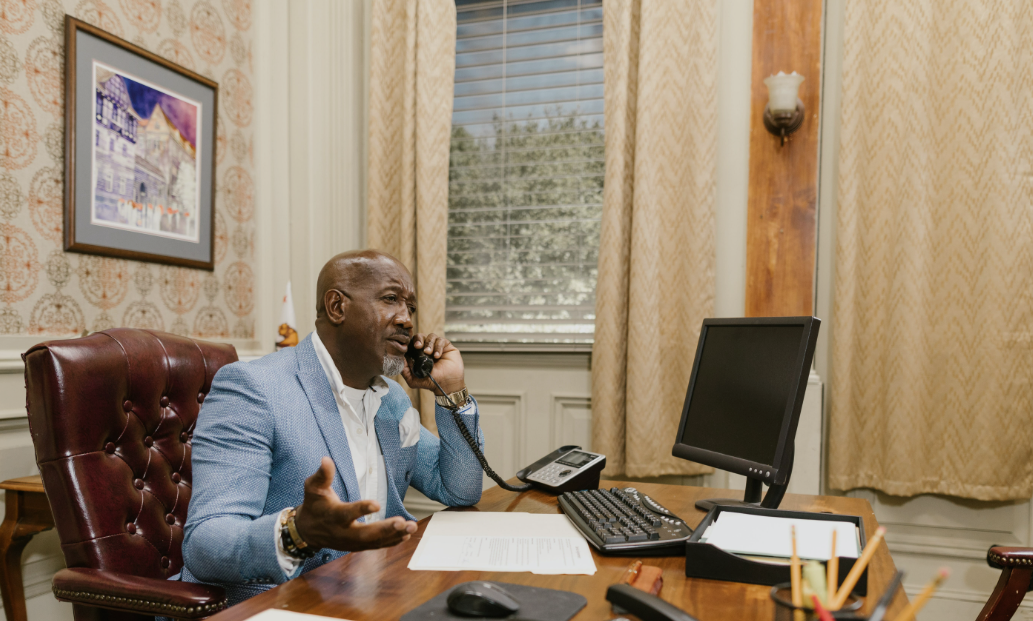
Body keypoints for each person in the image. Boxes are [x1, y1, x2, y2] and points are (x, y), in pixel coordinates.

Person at [179, 250, 484, 607]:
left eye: (411, 308)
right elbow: (204, 544)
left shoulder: (392, 399)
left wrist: (453, 391)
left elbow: (459, 489)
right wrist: (296, 533)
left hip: (379, 591)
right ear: (337, 307)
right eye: (391, 300)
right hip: (285, 603)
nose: (406, 320)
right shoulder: (254, 388)